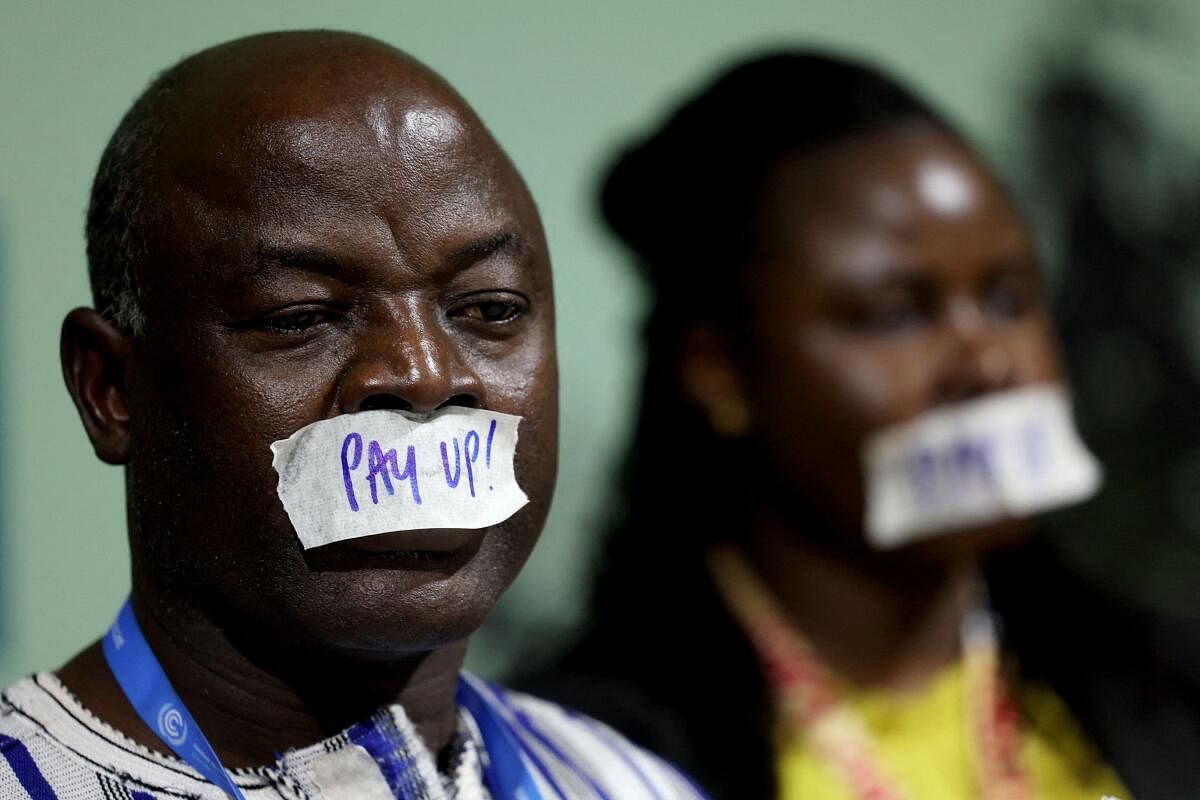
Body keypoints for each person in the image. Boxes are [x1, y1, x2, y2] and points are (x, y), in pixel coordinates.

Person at [0, 31, 705, 800]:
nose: (426, 375)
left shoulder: (633, 785)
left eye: (490, 308)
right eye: (299, 316)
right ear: (110, 388)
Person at [527, 52, 1134, 799]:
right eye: (896, 314)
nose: (989, 366)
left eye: (1009, 300)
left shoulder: (1158, 690)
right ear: (719, 368)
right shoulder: (581, 760)